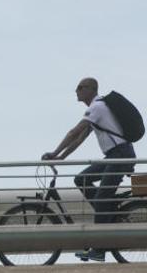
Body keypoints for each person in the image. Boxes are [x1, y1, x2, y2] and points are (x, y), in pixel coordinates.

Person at [42, 77, 137, 262]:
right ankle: (108, 213)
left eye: (80, 87)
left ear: (91, 90)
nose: (76, 91)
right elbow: (80, 139)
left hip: (120, 155)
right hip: (114, 156)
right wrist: (62, 157)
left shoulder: (97, 107)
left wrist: (54, 153)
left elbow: (74, 132)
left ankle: (99, 249)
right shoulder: (96, 110)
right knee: (82, 179)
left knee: (101, 197)